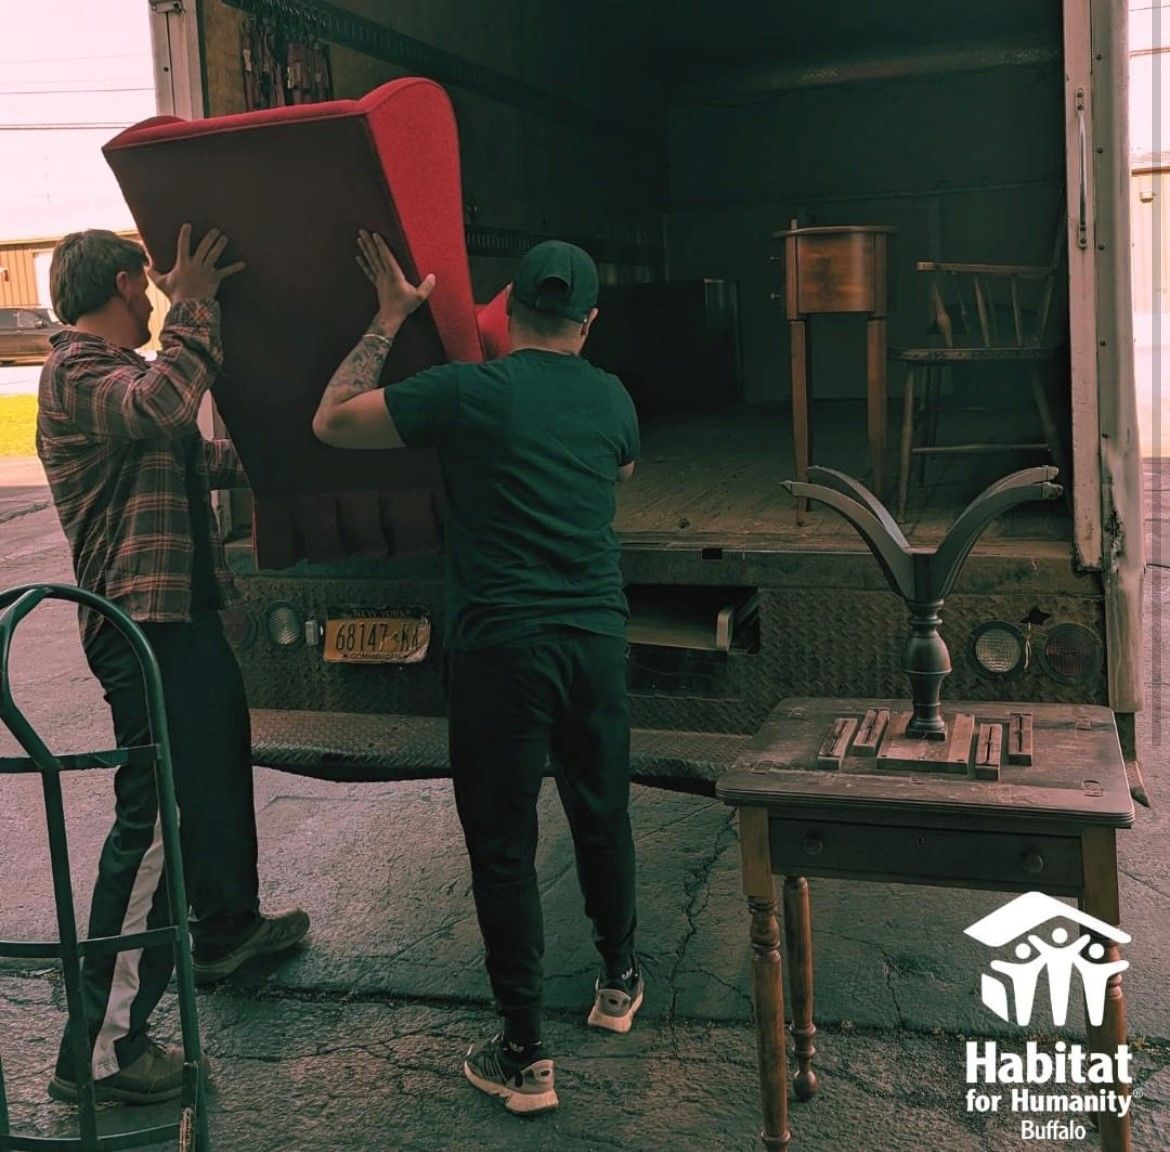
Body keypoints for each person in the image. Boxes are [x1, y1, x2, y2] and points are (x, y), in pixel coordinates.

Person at [313, 232, 642, 1115]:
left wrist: (389, 319)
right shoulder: (612, 399)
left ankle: (526, 1057)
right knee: (601, 808)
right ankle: (619, 980)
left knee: (504, 847)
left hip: (501, 648)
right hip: (595, 640)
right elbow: (622, 460)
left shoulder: (466, 393)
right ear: (590, 319)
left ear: (507, 309)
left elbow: (332, 420)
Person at [36, 226, 310, 1106]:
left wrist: (303, 457)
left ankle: (227, 927)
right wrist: (196, 304)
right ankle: (100, 1050)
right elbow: (161, 408)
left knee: (219, 774)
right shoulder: (76, 372)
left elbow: (198, 456)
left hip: (183, 616)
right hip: (139, 625)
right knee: (152, 825)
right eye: (148, 289)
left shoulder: (122, 378)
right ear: (123, 282)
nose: (156, 303)